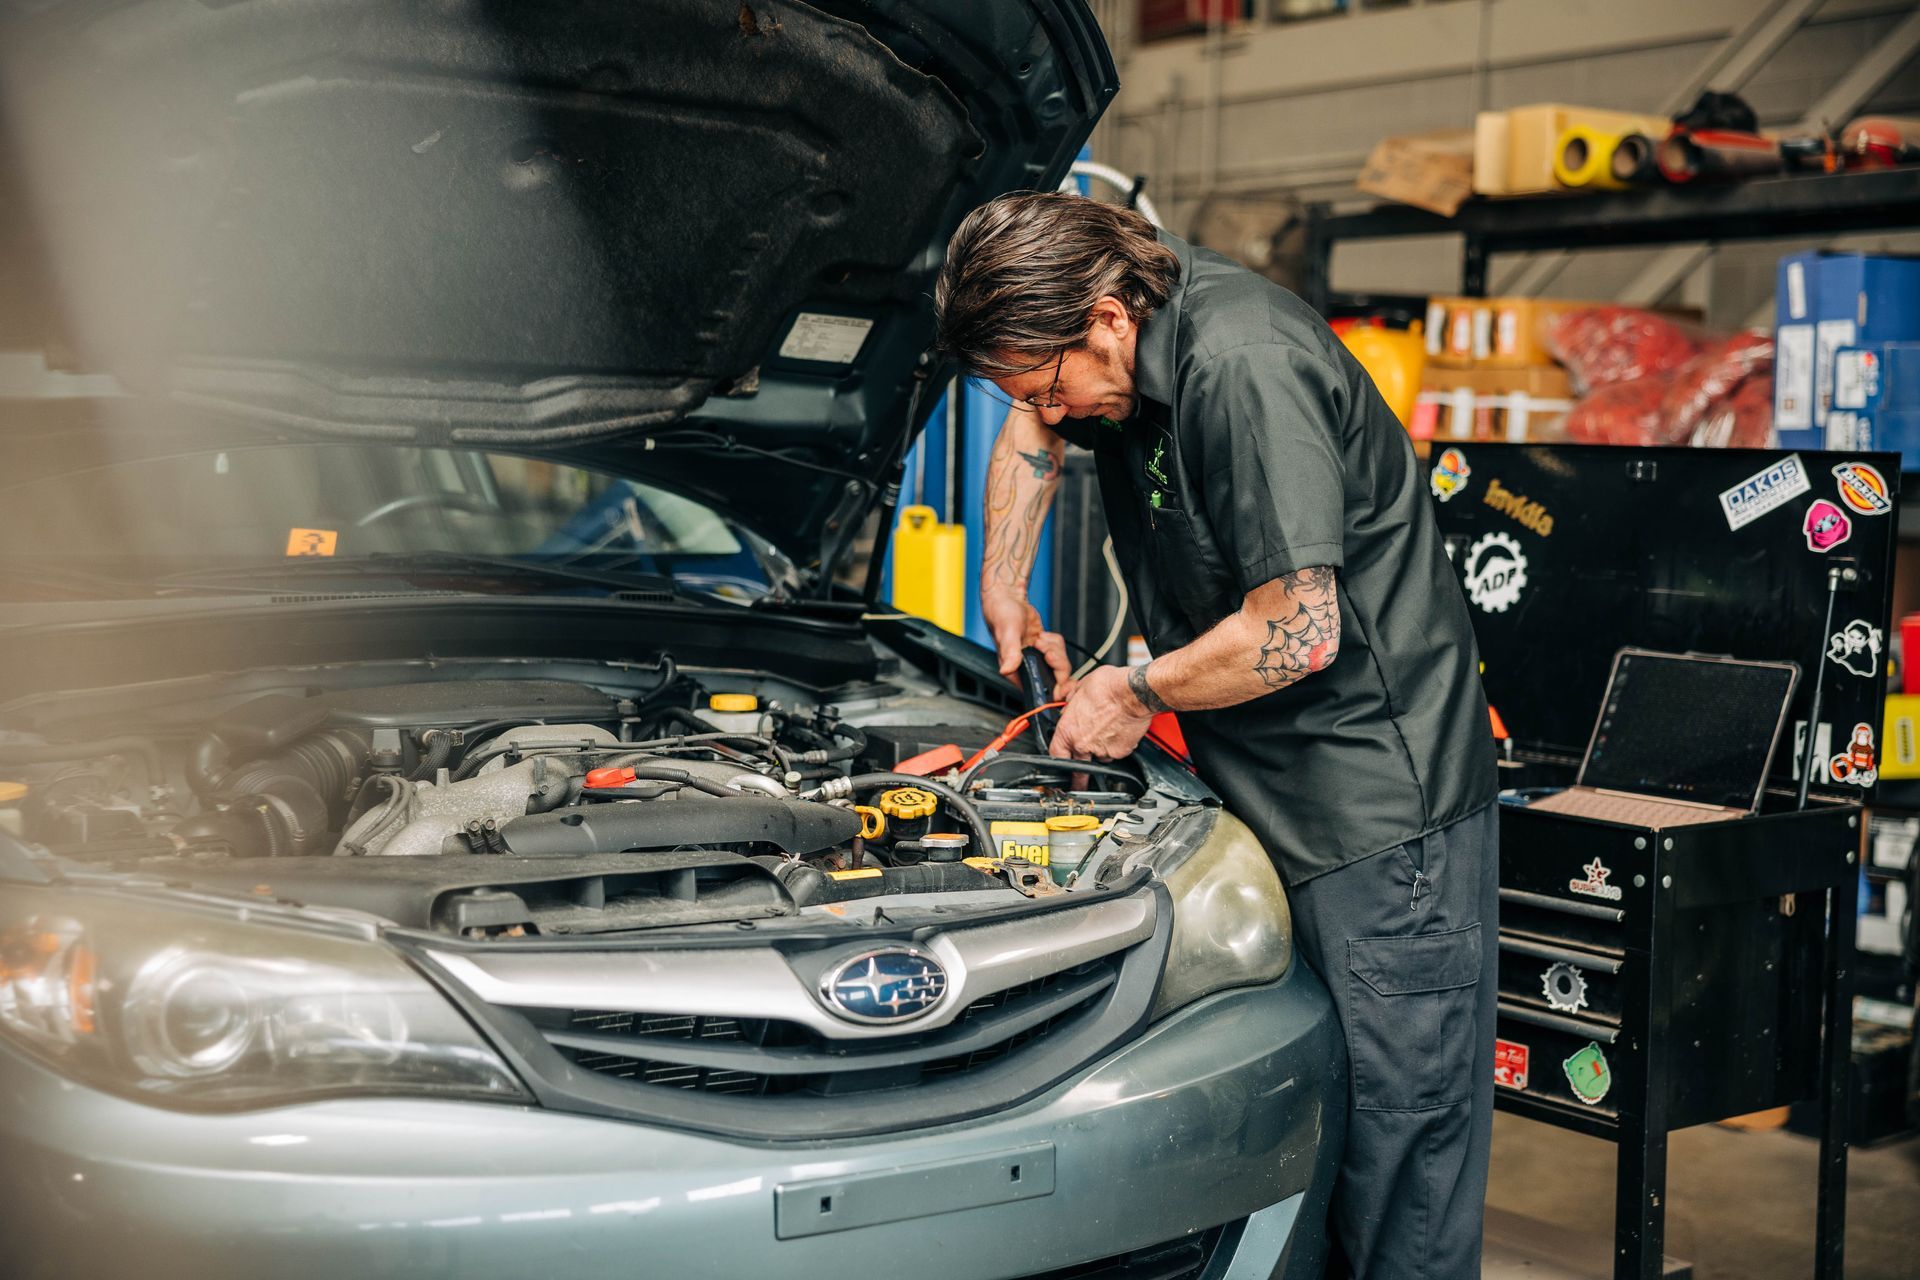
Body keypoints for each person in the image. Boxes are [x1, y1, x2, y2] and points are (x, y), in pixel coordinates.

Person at [933, 191, 1499, 1279]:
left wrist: (1136, 687)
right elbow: (1027, 427)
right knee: (1312, 1136)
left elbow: (1298, 629)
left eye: (1051, 383)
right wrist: (1003, 587)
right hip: (1265, 797)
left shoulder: (1244, 366)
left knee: (1401, 1164)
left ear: (1105, 317)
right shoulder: (1107, 347)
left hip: (1379, 822)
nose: (1049, 409)